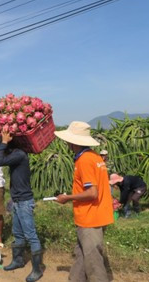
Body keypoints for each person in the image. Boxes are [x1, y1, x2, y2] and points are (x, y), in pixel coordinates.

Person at [54, 121, 113, 282]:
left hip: (90, 217)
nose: (66, 143)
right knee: (82, 253)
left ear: (73, 142)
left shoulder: (85, 160)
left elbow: (92, 193)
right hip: (97, 213)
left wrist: (67, 198)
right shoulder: (94, 156)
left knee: (93, 260)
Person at [0, 131, 43, 282]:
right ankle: (18, 261)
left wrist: (3, 142)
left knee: (31, 236)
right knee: (18, 234)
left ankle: (37, 270)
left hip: (24, 202)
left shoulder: (19, 154)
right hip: (17, 201)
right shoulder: (16, 154)